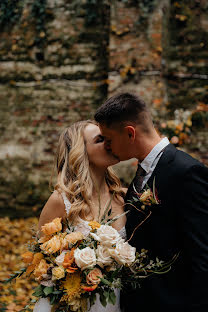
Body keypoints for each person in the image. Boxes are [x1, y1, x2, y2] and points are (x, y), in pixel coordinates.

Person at [94, 92, 208, 312]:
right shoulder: (143, 170)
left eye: (108, 140)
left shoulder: (187, 171)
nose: (107, 146)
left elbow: (203, 254)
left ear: (130, 133)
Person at [34, 120, 127, 312]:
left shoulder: (123, 198)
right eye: (100, 139)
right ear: (81, 151)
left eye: (108, 137)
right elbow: (42, 266)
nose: (109, 142)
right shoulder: (61, 201)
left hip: (115, 302)